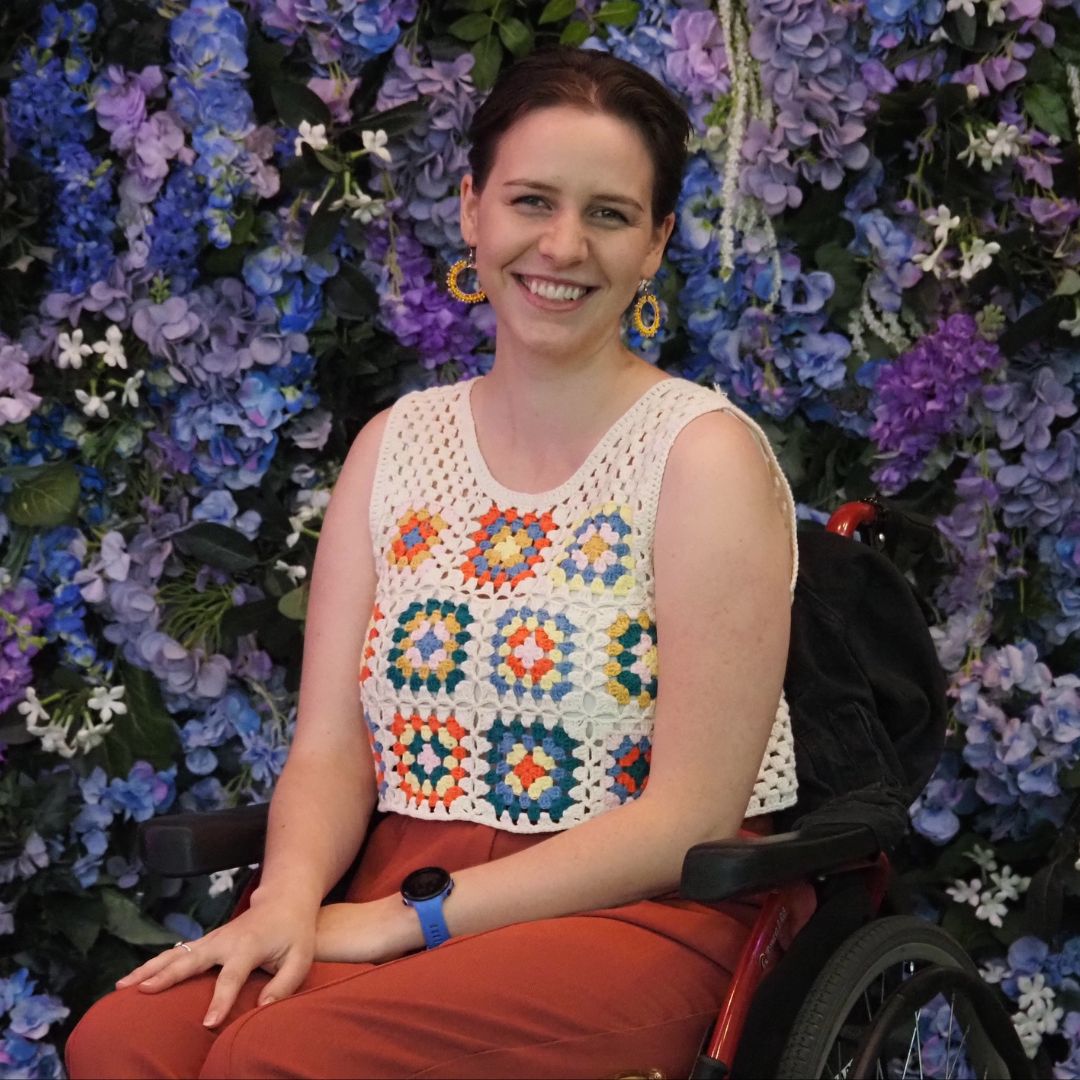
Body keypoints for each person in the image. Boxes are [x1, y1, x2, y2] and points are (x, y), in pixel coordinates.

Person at [66, 46, 798, 1079]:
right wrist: (286, 904)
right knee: (125, 1044)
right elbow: (329, 746)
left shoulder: (701, 455)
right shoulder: (396, 447)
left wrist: (408, 924)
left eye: (609, 214)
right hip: (398, 875)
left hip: (640, 908)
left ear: (656, 245)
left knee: (279, 1060)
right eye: (531, 200)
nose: (562, 246)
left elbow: (690, 815)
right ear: (471, 211)